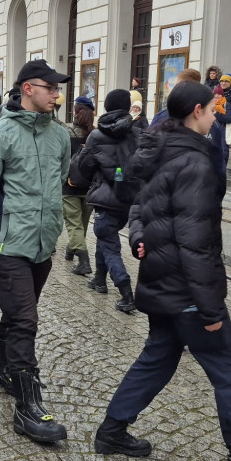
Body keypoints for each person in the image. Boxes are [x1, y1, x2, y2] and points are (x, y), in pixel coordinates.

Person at [93, 82, 231, 461]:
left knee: (157, 358)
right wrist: (211, 309)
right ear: (196, 111)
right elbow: (195, 244)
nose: (216, 116)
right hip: (186, 290)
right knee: (229, 369)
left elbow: (140, 206)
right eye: (213, 109)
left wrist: (142, 237)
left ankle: (111, 431)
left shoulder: (160, 149)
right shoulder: (193, 163)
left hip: (163, 280)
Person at [0, 59, 71, 443]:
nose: (57, 95)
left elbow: (59, 180)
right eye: (51, 88)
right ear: (28, 88)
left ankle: (0, 367)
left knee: (16, 314)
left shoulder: (59, 135)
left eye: (58, 89)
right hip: (9, 244)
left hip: (43, 243)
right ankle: (28, 407)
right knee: (26, 319)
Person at [72, 89, 140, 313]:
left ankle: (126, 292)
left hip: (105, 198)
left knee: (110, 245)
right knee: (105, 236)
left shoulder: (97, 136)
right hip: (128, 199)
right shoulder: (138, 133)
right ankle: (99, 279)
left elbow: (84, 167)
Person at [62, 96, 94, 276]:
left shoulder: (66, 133)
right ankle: (70, 249)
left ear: (75, 112)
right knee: (81, 224)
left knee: (74, 225)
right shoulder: (95, 134)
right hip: (89, 186)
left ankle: (84, 262)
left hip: (69, 186)